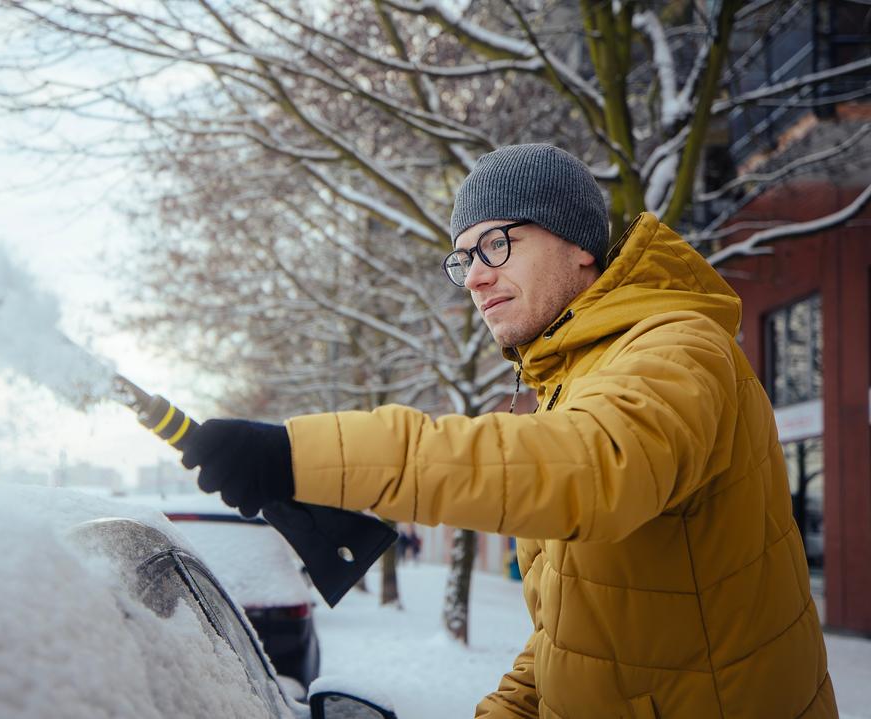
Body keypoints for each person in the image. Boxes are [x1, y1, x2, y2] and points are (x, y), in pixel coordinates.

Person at [180, 144, 836, 718]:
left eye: (496, 244)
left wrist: (300, 455)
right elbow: (580, 626)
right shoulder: (572, 384)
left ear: (578, 241)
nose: (475, 276)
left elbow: (593, 470)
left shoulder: (677, 350)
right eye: (462, 257)